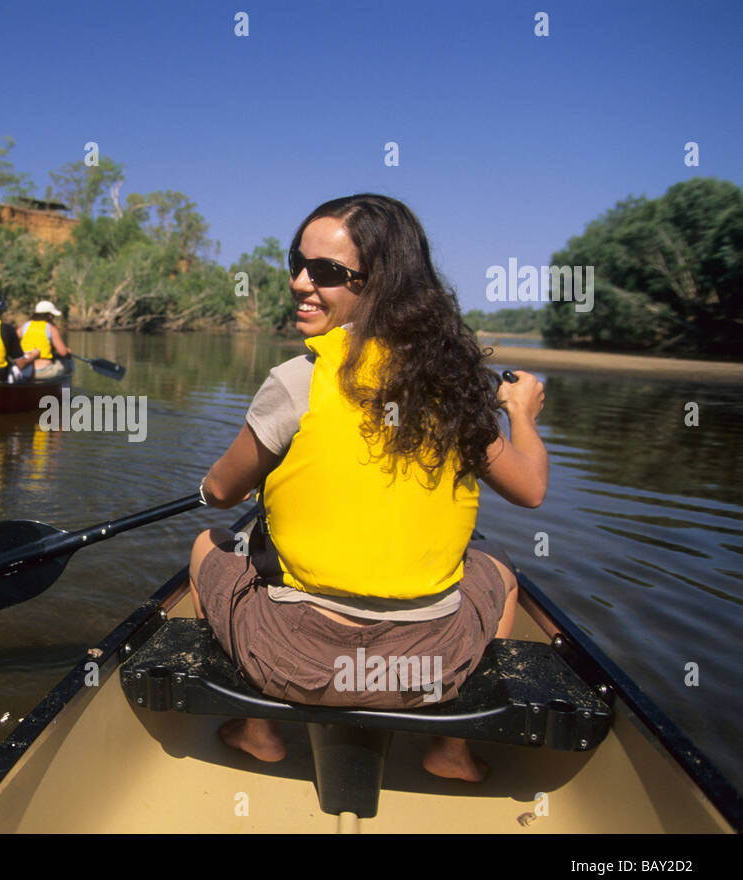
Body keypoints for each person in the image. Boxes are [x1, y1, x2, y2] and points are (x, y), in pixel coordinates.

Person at [188, 194, 548, 783]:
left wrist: (220, 484)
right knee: (500, 564)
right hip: (427, 670)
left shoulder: (297, 380)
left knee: (207, 543)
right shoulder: (451, 384)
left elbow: (223, 492)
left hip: (295, 664)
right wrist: (521, 413)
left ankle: (259, 732)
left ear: (381, 284)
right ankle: (450, 749)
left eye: (326, 273)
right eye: (296, 263)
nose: (300, 283)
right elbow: (531, 488)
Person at [18, 301, 72, 380]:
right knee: (68, 361)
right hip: (43, 371)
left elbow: (11, 342)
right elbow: (63, 353)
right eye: (53, 316)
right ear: (49, 316)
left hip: (25, 369)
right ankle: (65, 390)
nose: (53, 318)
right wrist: (68, 352)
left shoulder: (24, 327)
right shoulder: (51, 329)